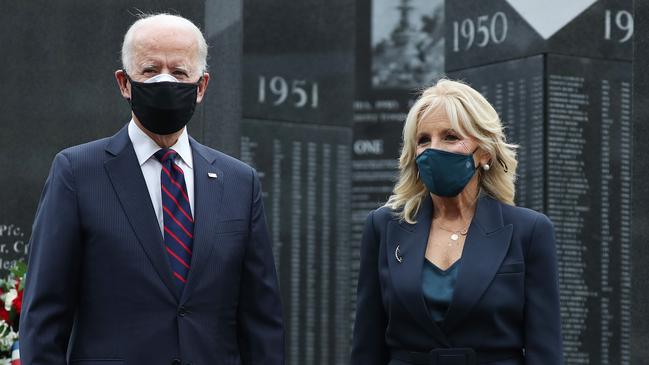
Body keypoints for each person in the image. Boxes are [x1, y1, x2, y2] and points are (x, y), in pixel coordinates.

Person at [19, 13, 284, 365]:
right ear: (124, 83)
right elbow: (44, 318)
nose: (165, 81)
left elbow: (261, 322)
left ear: (201, 86)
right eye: (149, 70)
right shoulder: (77, 173)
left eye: (179, 72)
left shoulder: (239, 182)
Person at [350, 79, 563, 365]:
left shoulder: (529, 231)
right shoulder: (383, 227)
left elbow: (545, 352)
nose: (433, 149)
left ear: (484, 151)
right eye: (424, 140)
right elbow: (367, 347)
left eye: (450, 137)